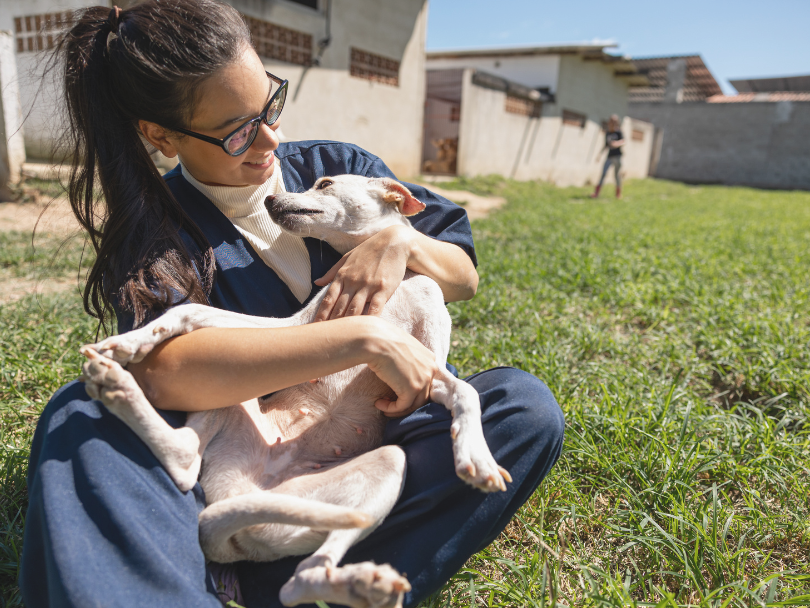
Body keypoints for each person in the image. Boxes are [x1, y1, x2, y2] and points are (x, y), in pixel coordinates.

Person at [19, 2, 565, 607]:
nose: (271, 139)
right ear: (161, 135)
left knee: (521, 409)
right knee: (82, 417)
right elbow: (166, 371)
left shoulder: (337, 169)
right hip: (240, 461)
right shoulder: (157, 228)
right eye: (237, 131)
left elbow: (463, 274)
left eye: (270, 107)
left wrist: (399, 239)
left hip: (369, 440)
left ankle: (282, 587)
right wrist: (362, 339)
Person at [590, 114, 625, 199]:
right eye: (611, 121)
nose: (612, 123)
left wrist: (616, 143)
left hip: (617, 157)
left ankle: (618, 194)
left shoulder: (619, 132)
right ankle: (596, 193)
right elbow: (605, 145)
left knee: (616, 176)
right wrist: (599, 154)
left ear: (617, 122)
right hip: (609, 157)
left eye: (614, 121)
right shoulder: (608, 133)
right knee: (603, 174)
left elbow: (623, 141)